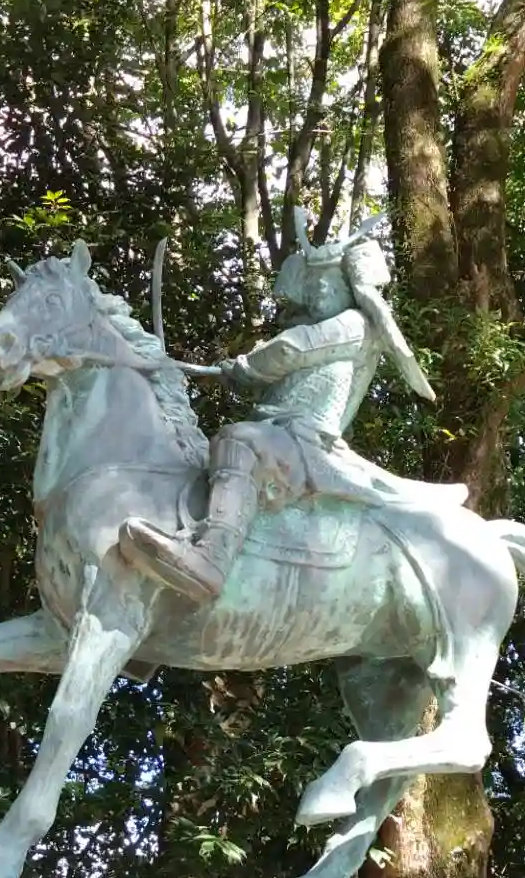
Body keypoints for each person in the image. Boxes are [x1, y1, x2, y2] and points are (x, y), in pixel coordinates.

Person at [120, 217, 435, 605]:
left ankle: (212, 557)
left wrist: (242, 368)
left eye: (331, 284)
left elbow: (290, 349)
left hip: (307, 440)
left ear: (351, 288)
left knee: (239, 439)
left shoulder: (354, 325)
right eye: (313, 283)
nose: (320, 291)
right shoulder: (325, 323)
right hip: (282, 433)